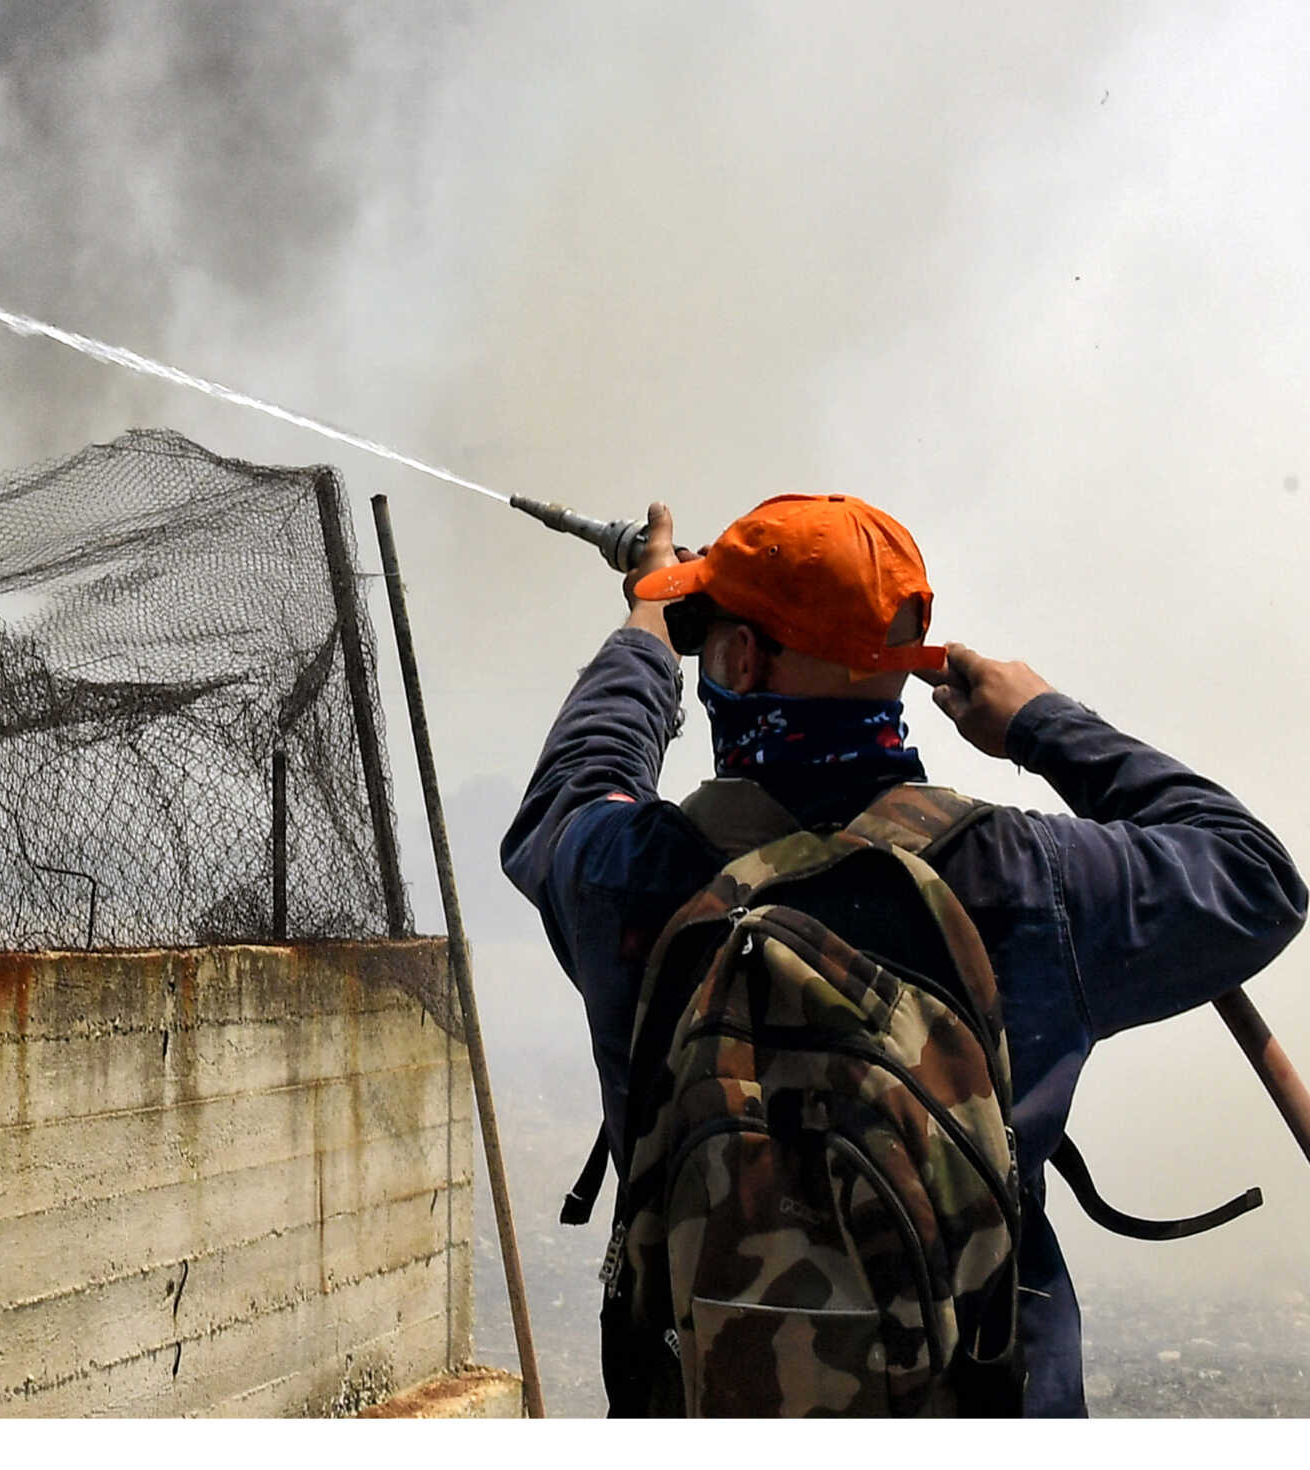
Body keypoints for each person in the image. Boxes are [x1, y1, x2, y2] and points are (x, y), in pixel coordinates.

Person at [502, 492, 1305, 1416]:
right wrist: (1041, 722)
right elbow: (1255, 876)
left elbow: (577, 781)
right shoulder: (1023, 876)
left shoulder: (628, 877)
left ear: (731, 660)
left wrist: (648, 623)